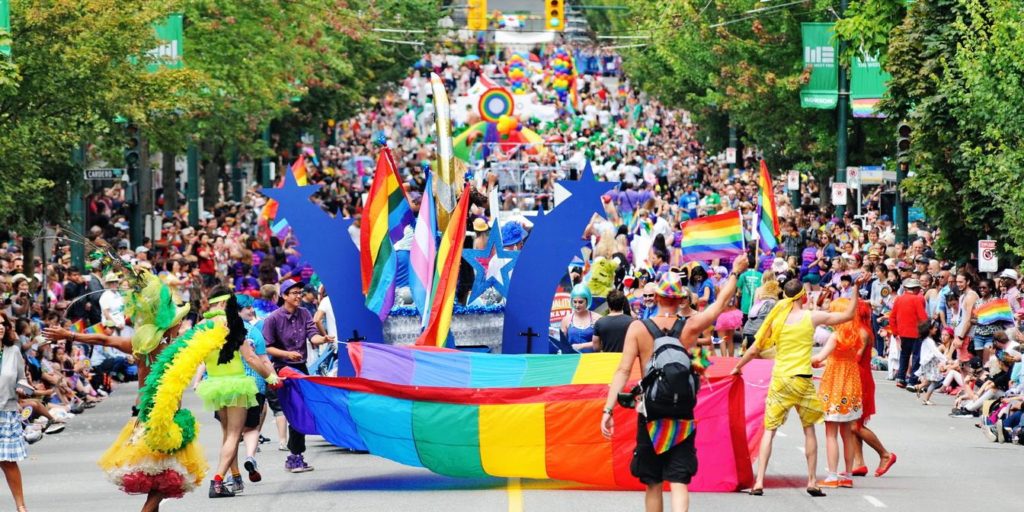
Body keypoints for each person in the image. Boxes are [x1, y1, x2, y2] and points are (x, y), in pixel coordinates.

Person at [600, 256, 747, 512]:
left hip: (650, 412)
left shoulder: (637, 328)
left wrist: (608, 409)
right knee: (679, 481)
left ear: (656, 297)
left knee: (653, 482)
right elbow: (721, 303)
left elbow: (623, 370)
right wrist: (735, 272)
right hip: (681, 413)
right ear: (680, 299)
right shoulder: (689, 326)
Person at [731, 274, 864, 497]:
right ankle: (812, 480)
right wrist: (856, 290)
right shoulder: (811, 317)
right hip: (802, 380)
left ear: (784, 295)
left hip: (781, 380)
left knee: (769, 431)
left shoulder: (776, 320)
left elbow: (754, 349)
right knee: (809, 430)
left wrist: (738, 367)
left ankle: (760, 481)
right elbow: (849, 314)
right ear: (803, 296)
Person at [195, 286, 279, 498]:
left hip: (214, 384)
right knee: (234, 435)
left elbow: (197, 358)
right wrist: (270, 377)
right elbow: (251, 358)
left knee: (227, 435)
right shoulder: (233, 323)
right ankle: (217, 481)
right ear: (224, 303)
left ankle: (235, 476)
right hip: (236, 384)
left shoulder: (201, 326)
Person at [263, 278, 334, 473]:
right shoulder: (273, 319)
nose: (298, 296)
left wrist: (324, 338)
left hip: (300, 368)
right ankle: (295, 456)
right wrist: (286, 354)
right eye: (294, 293)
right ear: (284, 296)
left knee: (301, 409)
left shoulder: (304, 314)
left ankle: (296, 455)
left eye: (300, 293)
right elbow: (267, 348)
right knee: (294, 409)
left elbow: (313, 336)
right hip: (282, 369)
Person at [809, 298, 865, 488]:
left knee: (830, 432)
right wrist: (824, 362)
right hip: (851, 384)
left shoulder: (836, 337)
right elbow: (841, 359)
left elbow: (820, 356)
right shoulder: (857, 335)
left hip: (834, 385)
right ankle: (847, 475)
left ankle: (832, 475)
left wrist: (807, 359)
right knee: (846, 433)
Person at [847, 301, 897, 478]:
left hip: (859, 379)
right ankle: (858, 462)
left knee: (854, 425)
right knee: (854, 422)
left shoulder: (861, 331)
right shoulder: (861, 329)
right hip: (857, 377)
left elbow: (856, 357)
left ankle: (885, 454)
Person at [0, 314, 28, 512]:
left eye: (3, 324)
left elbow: (23, 379)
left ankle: (20, 506)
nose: (1, 327)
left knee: (8, 462)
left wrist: (21, 388)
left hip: (6, 412)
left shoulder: (14, 351)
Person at [889, 278, 927, 388]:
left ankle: (901, 378)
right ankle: (912, 380)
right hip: (916, 333)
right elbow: (923, 317)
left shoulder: (899, 299)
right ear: (915, 289)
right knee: (916, 357)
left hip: (902, 333)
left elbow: (892, 318)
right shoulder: (917, 299)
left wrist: (895, 333)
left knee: (904, 356)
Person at [562, 284, 602, 352]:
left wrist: (581, 346)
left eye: (580, 302)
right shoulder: (566, 319)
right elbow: (562, 343)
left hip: (592, 359)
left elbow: (601, 343)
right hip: (572, 359)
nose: (577, 305)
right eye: (575, 302)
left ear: (587, 301)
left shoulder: (597, 318)